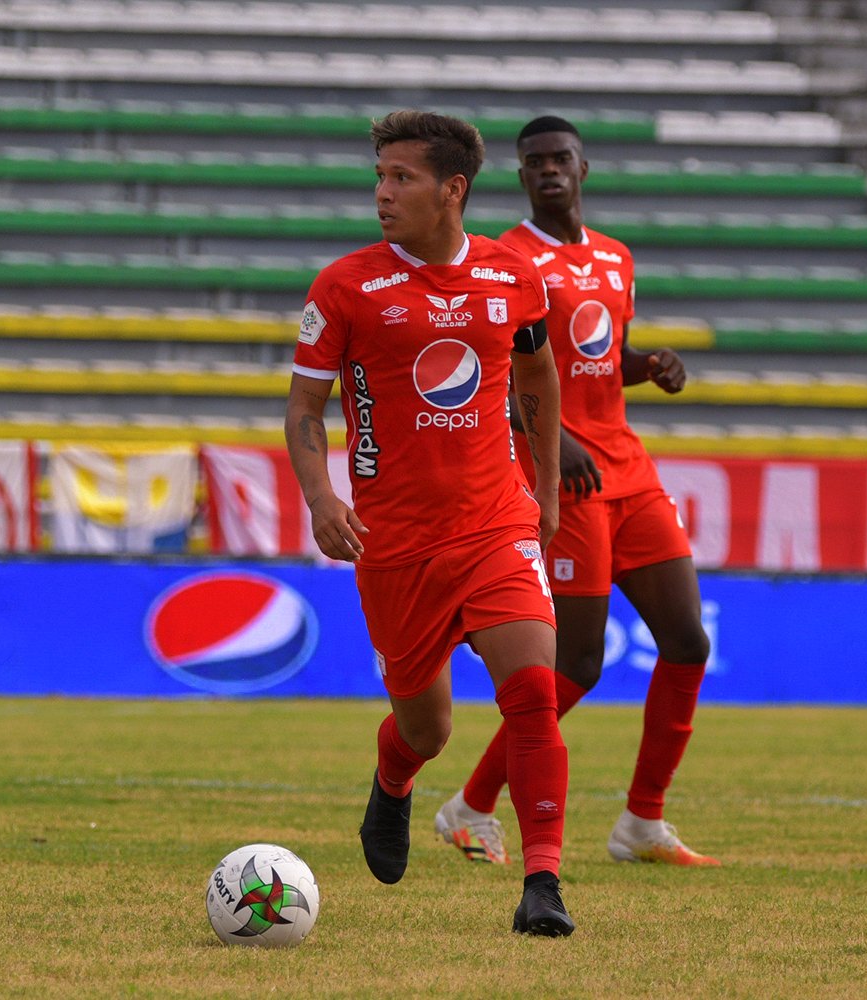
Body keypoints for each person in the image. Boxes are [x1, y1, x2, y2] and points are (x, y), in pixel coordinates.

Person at [285, 110, 574, 935]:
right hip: (396, 543)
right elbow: (304, 407)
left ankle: (544, 884)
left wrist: (544, 493)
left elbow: (539, 378)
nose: (381, 193)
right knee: (429, 726)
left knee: (531, 694)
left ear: (452, 190)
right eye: (379, 177)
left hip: (495, 524)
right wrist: (321, 497)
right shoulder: (344, 286)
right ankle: (395, 777)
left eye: (400, 178)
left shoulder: (514, 275)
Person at [433, 116, 717, 868]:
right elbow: (491, 372)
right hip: (563, 477)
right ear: (521, 176)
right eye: (534, 163)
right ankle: (468, 805)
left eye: (560, 158)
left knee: (688, 642)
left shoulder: (616, 259)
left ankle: (642, 823)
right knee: (576, 665)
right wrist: (554, 441)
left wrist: (645, 364)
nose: (548, 170)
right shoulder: (503, 261)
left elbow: (596, 356)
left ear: (583, 168)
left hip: (629, 468)